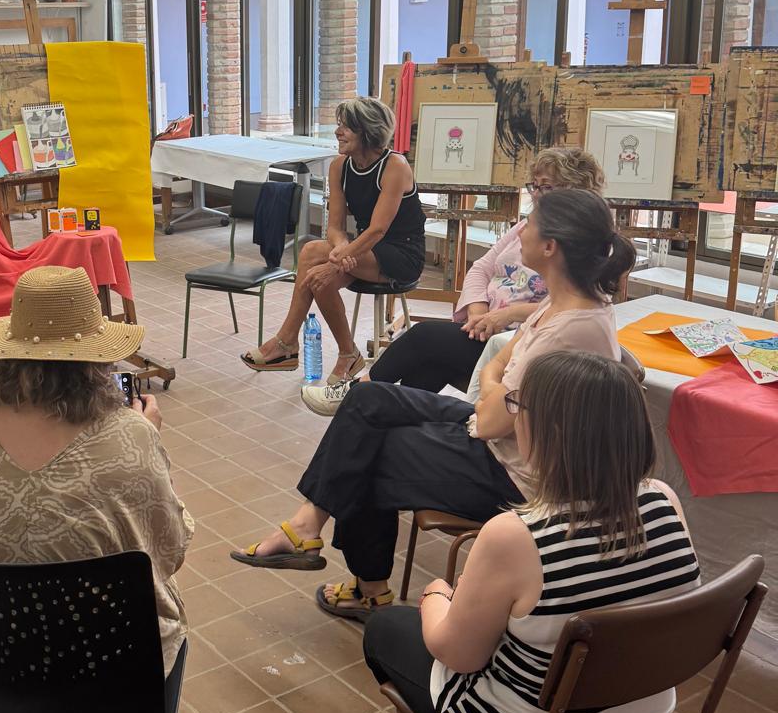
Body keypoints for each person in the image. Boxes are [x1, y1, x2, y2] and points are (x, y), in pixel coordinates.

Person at [231, 188, 635, 621]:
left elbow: (493, 412)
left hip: (514, 474)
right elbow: (500, 364)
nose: (521, 232)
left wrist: (492, 381)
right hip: (500, 435)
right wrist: (495, 381)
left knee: (371, 448)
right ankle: (308, 524)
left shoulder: (570, 328)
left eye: (530, 225)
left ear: (551, 247)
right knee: (367, 399)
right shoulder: (561, 302)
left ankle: (365, 586)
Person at [363, 350, 700, 713]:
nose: (513, 415)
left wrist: (436, 594)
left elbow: (457, 654)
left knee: (387, 628)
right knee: (525, 633)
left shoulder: (516, 536)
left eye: (518, 404)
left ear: (550, 433)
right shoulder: (663, 500)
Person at [0, 265, 203, 713]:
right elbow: (170, 549)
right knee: (166, 612)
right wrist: (148, 438)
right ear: (95, 360)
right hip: (102, 664)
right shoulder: (129, 434)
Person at [301, 145, 606, 416]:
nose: (537, 195)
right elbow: (481, 268)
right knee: (426, 369)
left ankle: (357, 394)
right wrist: (478, 311)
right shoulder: (526, 227)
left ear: (576, 192)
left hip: (517, 340)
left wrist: (505, 315)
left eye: (546, 187)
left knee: (422, 338)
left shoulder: (584, 245)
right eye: (534, 186)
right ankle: (376, 416)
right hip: (485, 327)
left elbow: (571, 307)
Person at [241, 98, 425, 386]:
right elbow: (335, 227)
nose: (338, 132)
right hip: (362, 250)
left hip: (401, 253)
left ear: (367, 131)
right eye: (339, 125)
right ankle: (347, 353)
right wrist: (341, 250)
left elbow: (378, 230)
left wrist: (338, 260)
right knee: (318, 275)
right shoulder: (339, 166)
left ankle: (287, 343)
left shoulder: (395, 166)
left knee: (313, 254)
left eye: (346, 127)